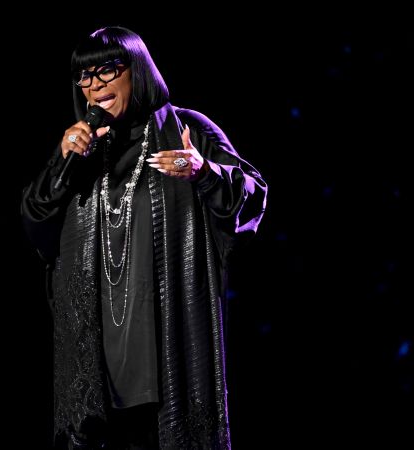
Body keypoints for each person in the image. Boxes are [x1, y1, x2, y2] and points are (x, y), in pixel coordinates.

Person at [21, 26, 267, 449]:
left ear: (137, 71)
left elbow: (252, 195)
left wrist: (204, 172)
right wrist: (60, 163)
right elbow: (35, 220)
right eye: (84, 76)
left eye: (106, 71)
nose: (93, 85)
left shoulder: (187, 128)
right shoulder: (82, 149)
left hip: (169, 352)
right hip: (98, 364)